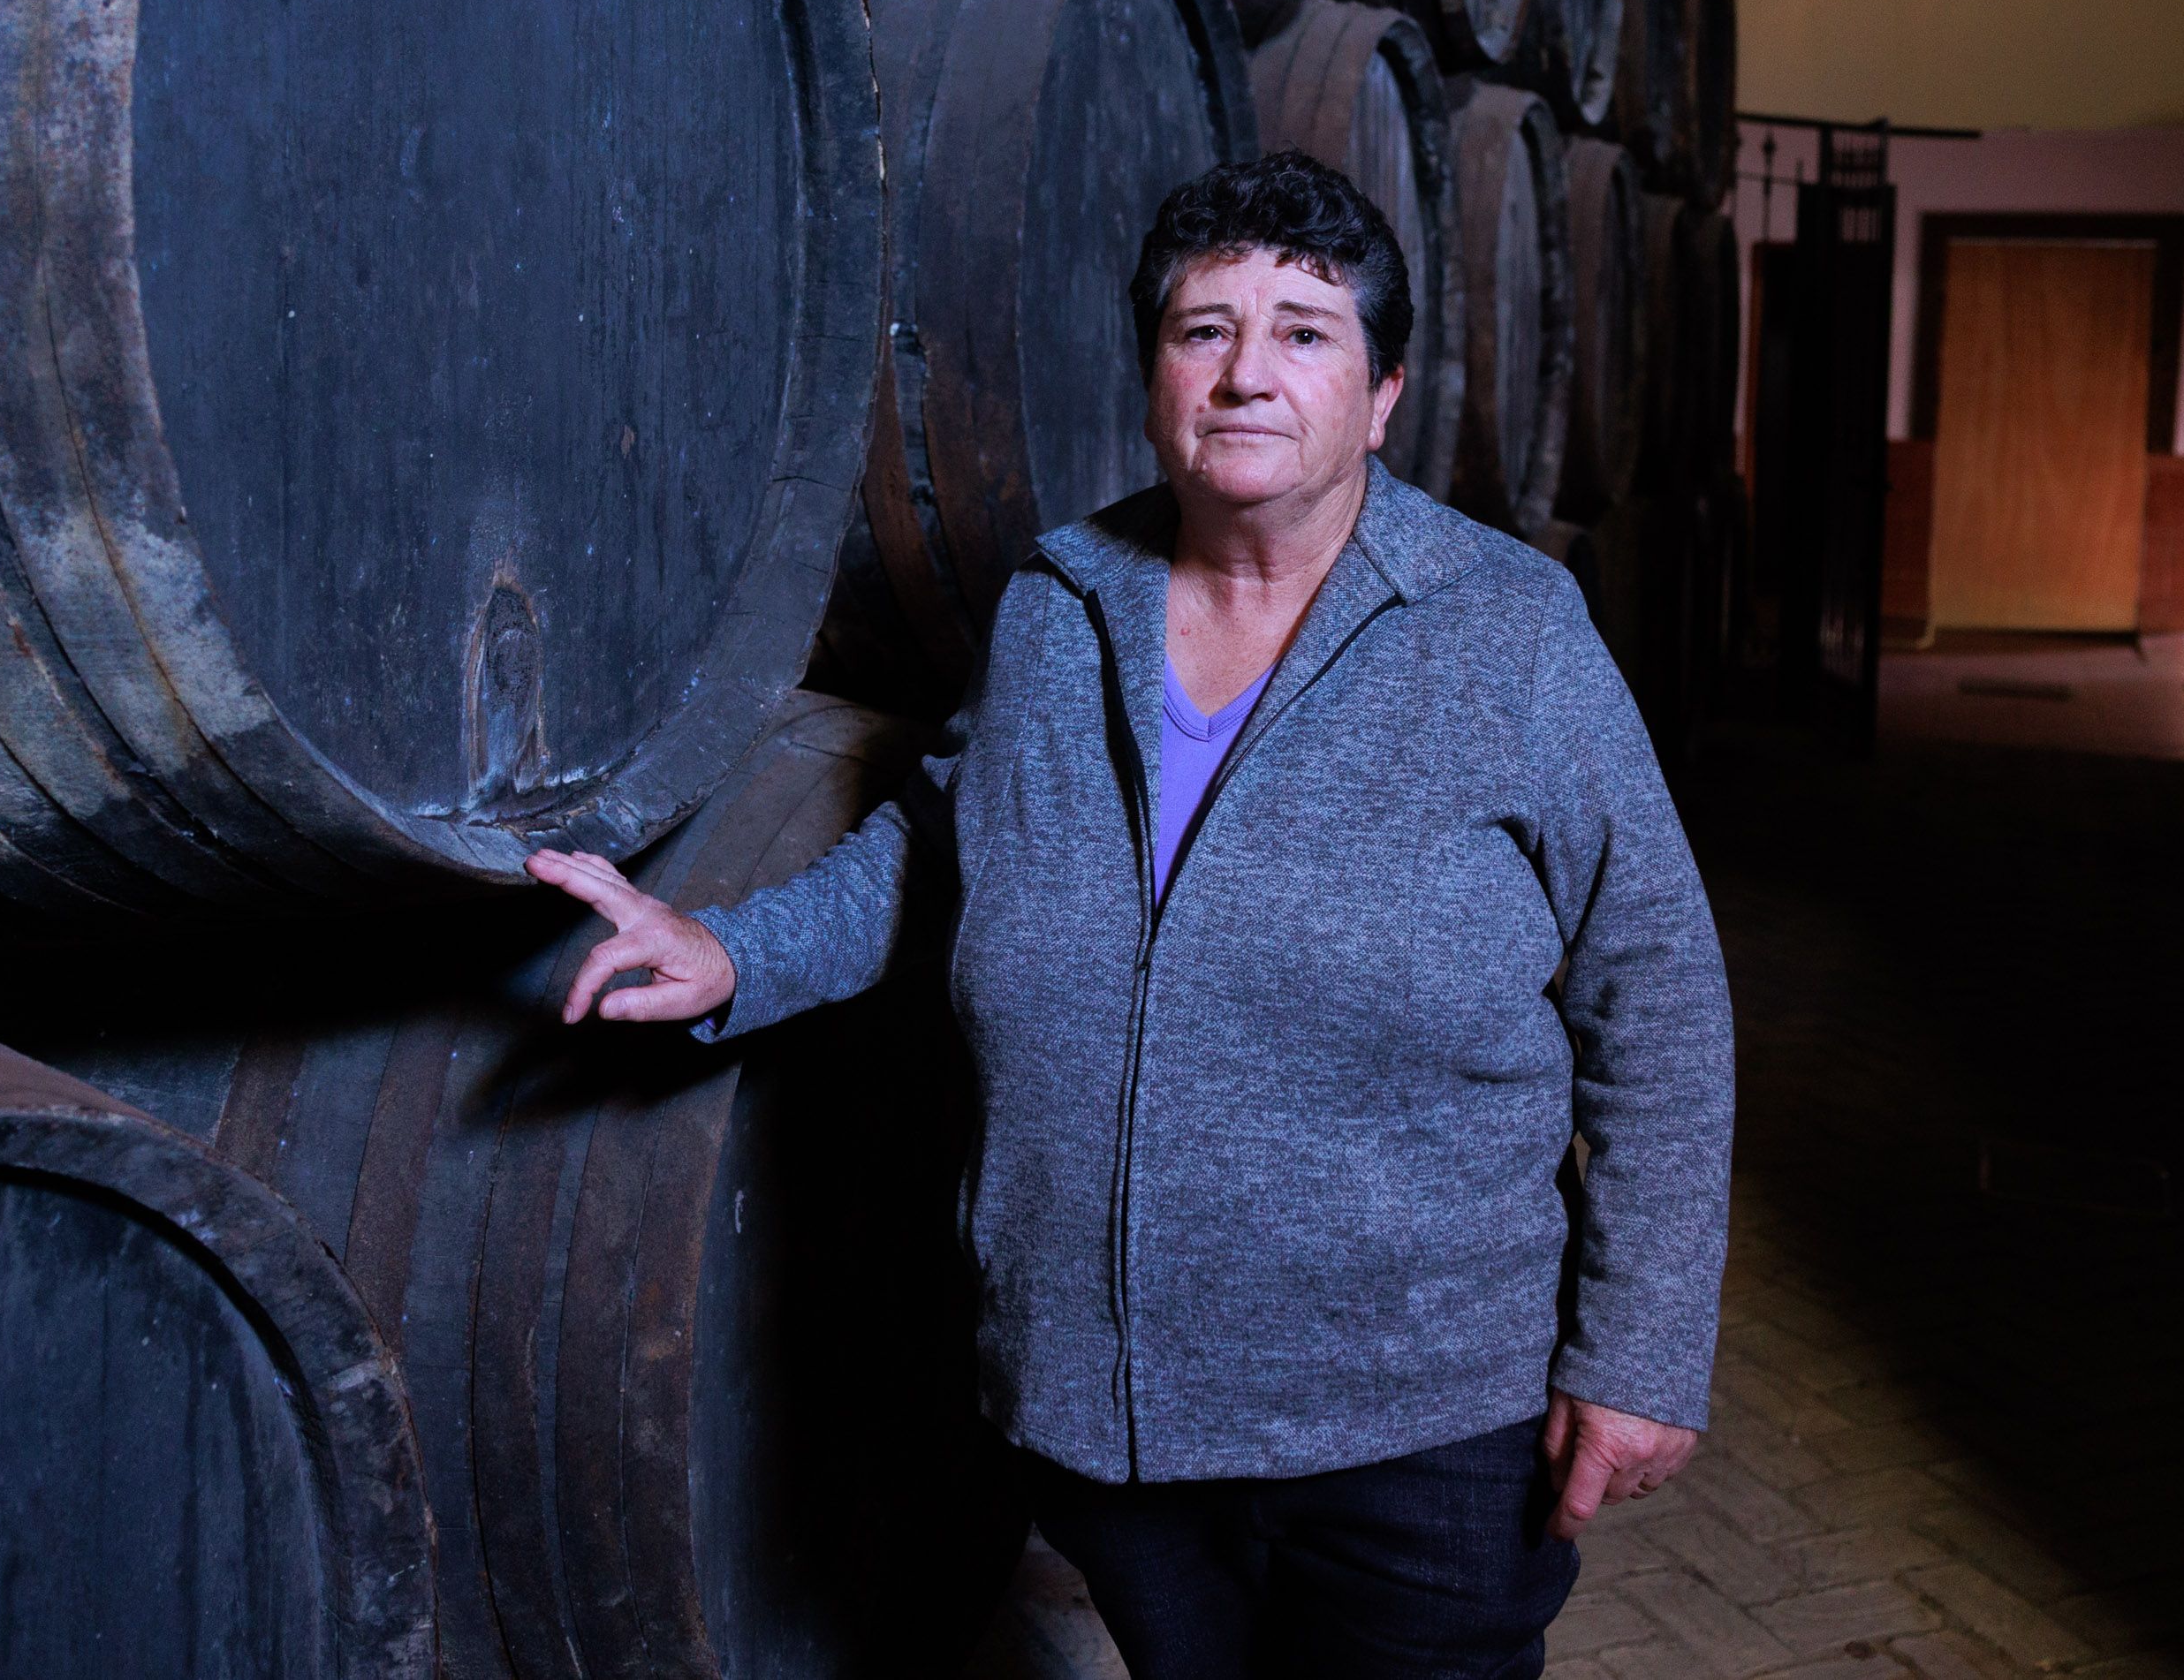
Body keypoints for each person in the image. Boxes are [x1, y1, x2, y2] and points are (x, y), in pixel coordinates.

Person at [531, 153, 1733, 1680]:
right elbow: (944, 843)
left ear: (1381, 398)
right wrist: (731, 954)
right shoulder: (1061, 602)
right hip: (1109, 1407)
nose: (1246, 372)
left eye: (1305, 332)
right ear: (1154, 377)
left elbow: (1657, 989)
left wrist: (1640, 1349)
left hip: (1416, 1422)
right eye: (1202, 328)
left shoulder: (1505, 631)